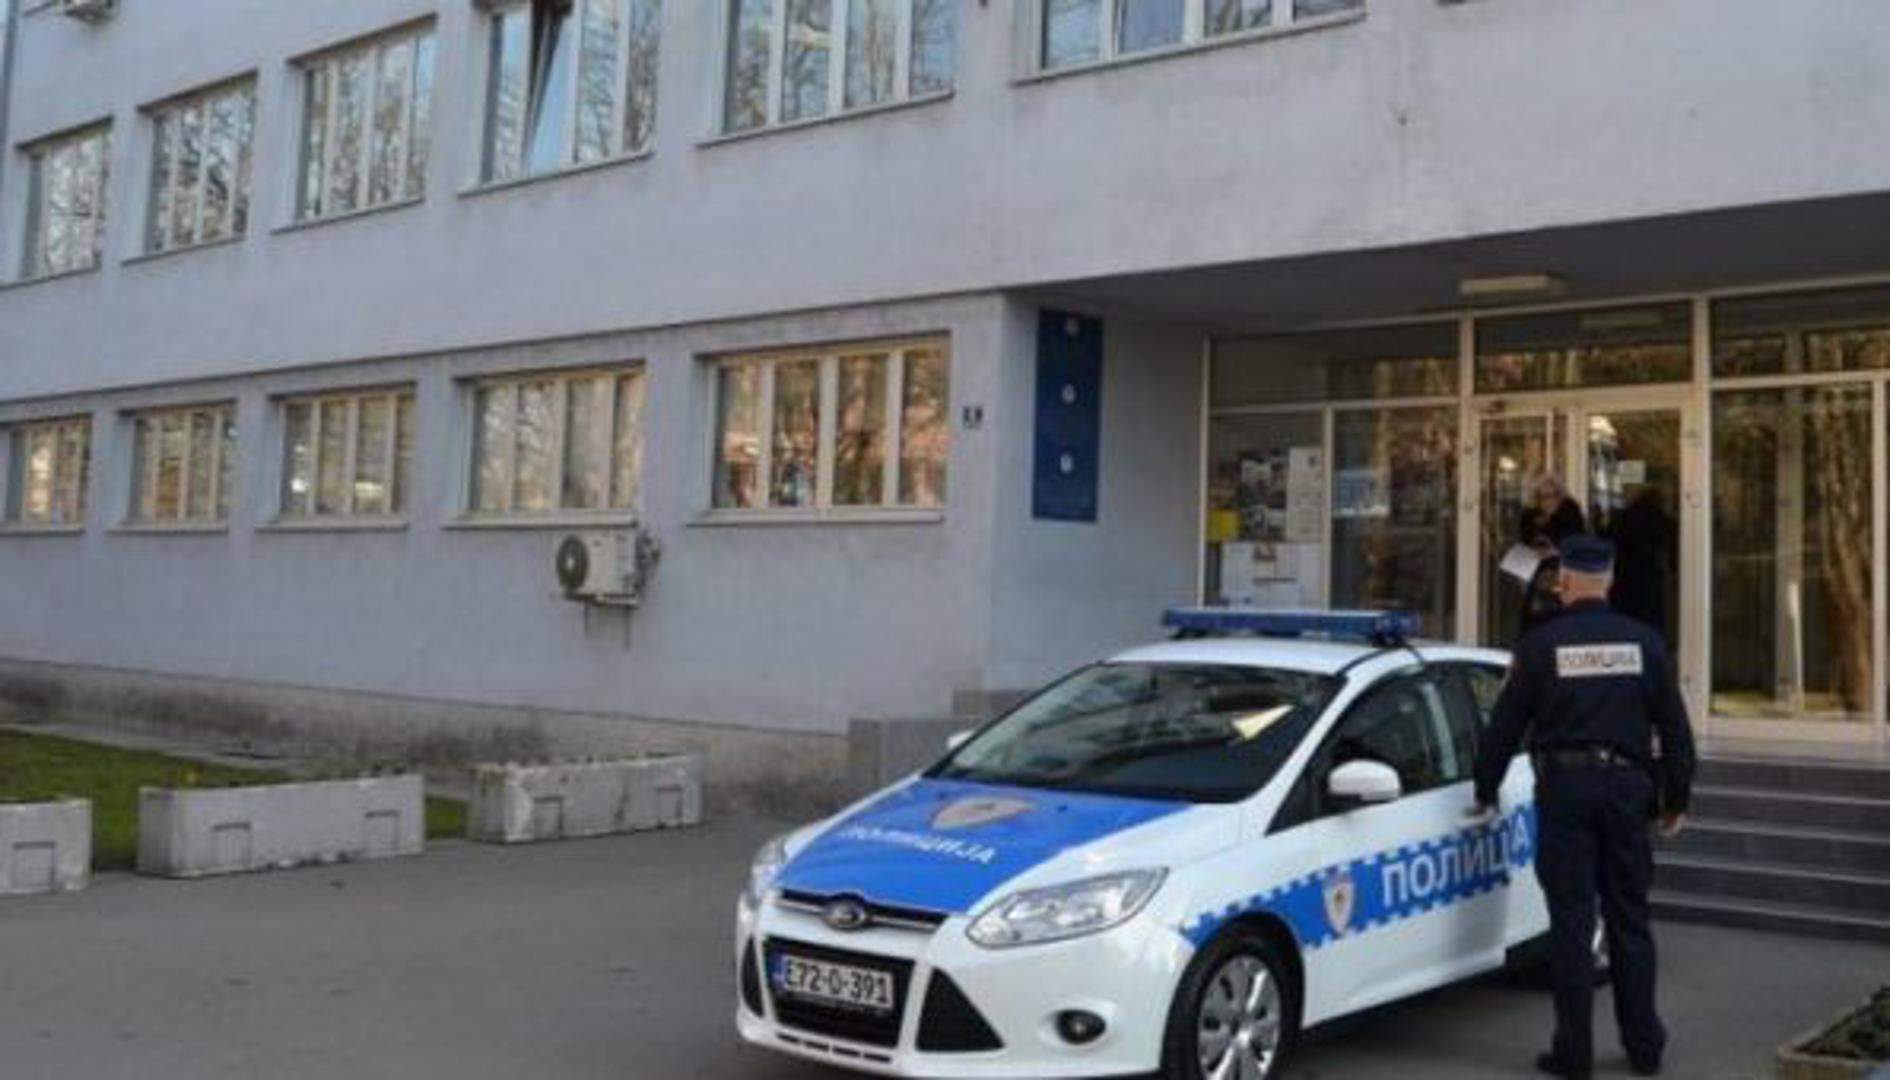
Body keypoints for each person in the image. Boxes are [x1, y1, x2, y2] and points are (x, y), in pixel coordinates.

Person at [1472, 535, 1697, 1080]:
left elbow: (1504, 725)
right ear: (1610, 581)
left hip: (1566, 791)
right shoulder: (1645, 643)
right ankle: (1644, 1046)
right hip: (1627, 791)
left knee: (1572, 925)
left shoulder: (1540, 644)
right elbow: (1675, 729)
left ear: (1564, 582)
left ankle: (1574, 1054)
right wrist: (1675, 799)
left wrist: (1485, 788)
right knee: (1630, 920)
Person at [1516, 475, 1588, 637]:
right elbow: (1523, 544)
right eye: (1543, 496)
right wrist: (1533, 553)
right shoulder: (1530, 515)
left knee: (1562, 620)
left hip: (1565, 573)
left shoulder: (1570, 513)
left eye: (1554, 495)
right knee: (1536, 621)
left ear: (1560, 496)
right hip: (1535, 575)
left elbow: (1578, 543)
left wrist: (1555, 551)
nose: (1549, 501)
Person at [1607, 486, 1678, 644]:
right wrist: (1674, 570)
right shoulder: (1662, 520)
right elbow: (1673, 548)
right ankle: (1650, 645)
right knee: (1650, 614)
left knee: (1626, 613)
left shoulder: (1622, 518)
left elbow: (1607, 540)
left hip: (1623, 574)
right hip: (1649, 574)